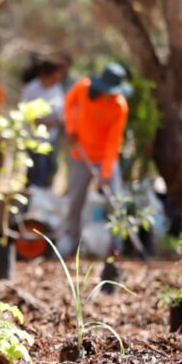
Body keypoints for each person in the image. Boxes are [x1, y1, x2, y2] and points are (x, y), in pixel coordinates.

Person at [57, 63, 131, 257]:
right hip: (80, 155)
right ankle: (70, 240)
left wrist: (105, 172)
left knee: (116, 200)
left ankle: (116, 246)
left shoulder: (119, 106)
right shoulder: (82, 88)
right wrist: (71, 129)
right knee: (75, 200)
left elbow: (114, 141)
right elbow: (68, 104)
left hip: (105, 158)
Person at [20, 55, 66, 188]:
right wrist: (42, 122)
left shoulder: (56, 89)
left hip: (50, 139)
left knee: (50, 170)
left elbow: (60, 110)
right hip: (34, 139)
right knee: (36, 174)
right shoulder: (32, 89)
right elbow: (25, 113)